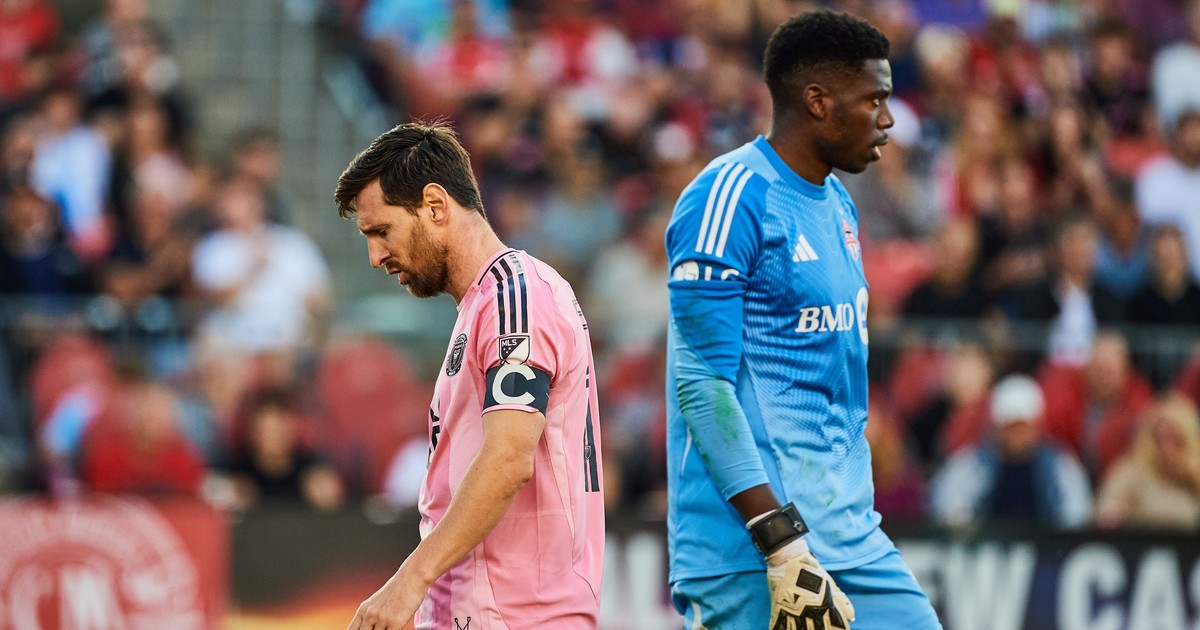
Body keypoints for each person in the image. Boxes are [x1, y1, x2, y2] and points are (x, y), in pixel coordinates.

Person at [664, 10, 941, 630]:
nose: (888, 120)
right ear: (817, 101)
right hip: (752, 550)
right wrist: (779, 540)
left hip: (852, 538)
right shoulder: (728, 195)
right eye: (873, 100)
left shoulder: (838, 202)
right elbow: (702, 384)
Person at [334, 121, 604, 629]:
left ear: (435, 206)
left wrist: (409, 580)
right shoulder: (483, 306)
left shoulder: (516, 299)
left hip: (520, 618)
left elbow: (508, 458)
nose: (375, 257)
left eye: (382, 231)